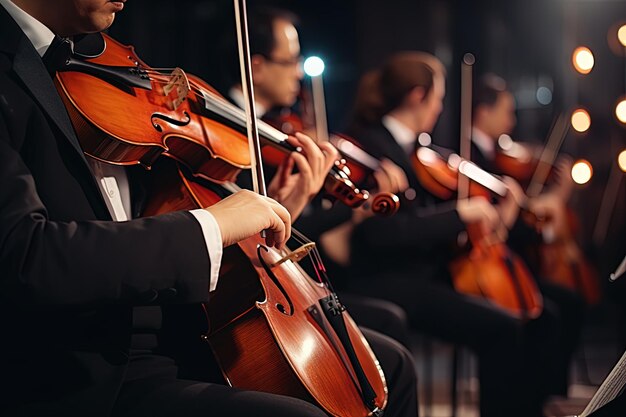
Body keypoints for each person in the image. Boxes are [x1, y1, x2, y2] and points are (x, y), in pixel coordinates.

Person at [0, 1, 401, 416]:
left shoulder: (90, 62)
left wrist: (277, 208)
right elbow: (26, 256)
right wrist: (211, 224)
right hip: (77, 368)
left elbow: (156, 214)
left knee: (390, 367)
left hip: (169, 323)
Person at [215, 8, 419, 417]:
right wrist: (353, 207)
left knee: (392, 349)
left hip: (282, 282)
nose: (298, 73)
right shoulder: (227, 138)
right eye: (290, 61)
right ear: (256, 66)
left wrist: (294, 204)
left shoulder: (274, 132)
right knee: (393, 354)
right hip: (243, 295)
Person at [345, 51, 568, 417]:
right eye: (438, 97)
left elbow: (431, 217)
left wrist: (487, 215)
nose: (440, 107)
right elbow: (383, 233)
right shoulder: (371, 146)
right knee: (502, 328)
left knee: (529, 319)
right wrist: (459, 214)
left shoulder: (420, 149)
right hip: (389, 279)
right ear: (419, 95)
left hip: (429, 273)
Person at [472, 74, 586, 397]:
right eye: (507, 111)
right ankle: (537, 398)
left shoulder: (497, 157)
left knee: (566, 305)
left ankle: (545, 397)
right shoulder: (473, 156)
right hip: (489, 267)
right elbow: (507, 230)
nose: (512, 120)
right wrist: (539, 213)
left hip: (509, 262)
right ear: (484, 111)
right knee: (549, 313)